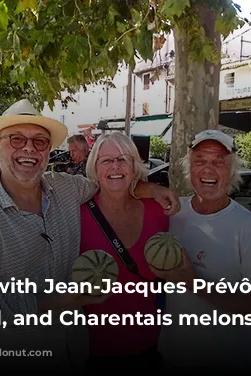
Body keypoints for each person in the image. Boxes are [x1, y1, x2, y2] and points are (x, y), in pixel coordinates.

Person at [0, 99, 179, 371]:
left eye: (40, 141)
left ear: (48, 151)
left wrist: (152, 189)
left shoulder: (68, 189)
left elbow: (111, 179)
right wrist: (66, 299)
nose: (29, 148)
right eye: (17, 139)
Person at [154, 130, 251, 371]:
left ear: (232, 171)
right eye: (199, 160)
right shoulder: (173, 211)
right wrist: (152, 190)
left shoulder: (249, 226)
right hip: (173, 356)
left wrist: (193, 282)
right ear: (189, 168)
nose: (207, 169)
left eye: (218, 162)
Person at [80, 132, 168, 370]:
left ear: (134, 166)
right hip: (91, 351)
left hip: (151, 347)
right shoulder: (76, 215)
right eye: (106, 160)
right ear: (95, 169)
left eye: (123, 159)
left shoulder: (158, 211)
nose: (115, 166)